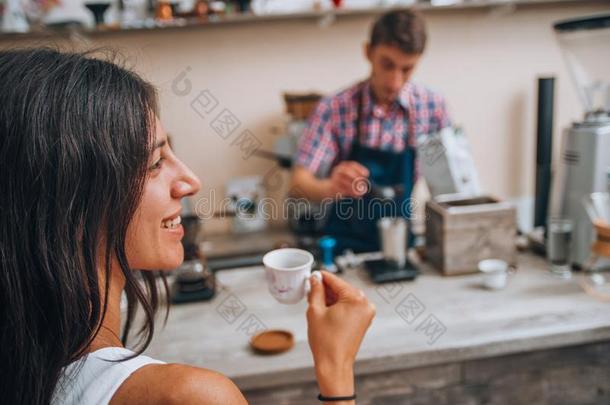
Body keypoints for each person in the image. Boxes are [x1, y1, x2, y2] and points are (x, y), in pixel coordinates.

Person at [0, 48, 375, 405]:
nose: (191, 181)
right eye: (154, 163)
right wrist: (336, 369)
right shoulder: (188, 396)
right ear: (72, 205)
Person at [291, 9, 452, 254]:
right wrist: (330, 187)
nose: (395, 82)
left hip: (400, 245)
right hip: (345, 247)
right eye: (387, 65)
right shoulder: (334, 108)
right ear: (368, 52)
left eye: (407, 69)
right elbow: (299, 183)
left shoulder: (432, 107)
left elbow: (447, 187)